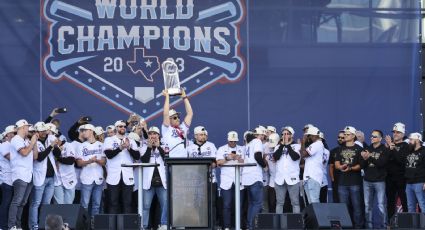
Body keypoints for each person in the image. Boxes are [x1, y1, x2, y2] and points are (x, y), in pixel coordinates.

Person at [103, 120, 140, 214]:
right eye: (120, 126)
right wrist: (120, 148)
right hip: (113, 175)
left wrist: (128, 148)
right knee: (113, 203)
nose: (122, 128)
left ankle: (126, 227)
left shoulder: (130, 141)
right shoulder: (109, 140)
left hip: (127, 175)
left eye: (124, 126)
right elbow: (109, 155)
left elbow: (137, 156)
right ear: (116, 128)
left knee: (127, 203)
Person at [8, 120, 39, 230]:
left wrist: (34, 143)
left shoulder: (26, 141)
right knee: (17, 201)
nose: (28, 129)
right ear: (21, 128)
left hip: (29, 175)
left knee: (23, 202)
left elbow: (35, 157)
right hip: (20, 174)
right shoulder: (16, 139)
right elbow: (24, 153)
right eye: (27, 127)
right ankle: (12, 225)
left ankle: (18, 225)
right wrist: (32, 142)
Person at [29, 122, 60, 230]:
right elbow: (39, 158)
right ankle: (34, 225)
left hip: (51, 177)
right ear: (36, 131)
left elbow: (58, 155)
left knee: (46, 204)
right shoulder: (33, 142)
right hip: (40, 177)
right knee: (35, 203)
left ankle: (43, 225)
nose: (43, 132)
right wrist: (50, 146)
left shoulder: (49, 139)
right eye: (41, 131)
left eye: (44, 130)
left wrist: (55, 146)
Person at [335, 126, 364, 228]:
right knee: (343, 208)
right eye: (345, 134)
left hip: (355, 183)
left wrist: (350, 168)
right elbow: (336, 164)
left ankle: (358, 227)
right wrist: (341, 167)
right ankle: (345, 226)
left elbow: (361, 165)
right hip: (342, 183)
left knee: (357, 207)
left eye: (347, 134)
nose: (345, 136)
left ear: (353, 136)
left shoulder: (359, 149)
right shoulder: (340, 149)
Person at [76, 124, 106, 218]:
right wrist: (90, 161)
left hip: (98, 178)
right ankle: (84, 226)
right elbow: (79, 163)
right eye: (82, 131)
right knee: (84, 204)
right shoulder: (81, 146)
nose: (83, 132)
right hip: (86, 178)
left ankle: (94, 225)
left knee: (96, 205)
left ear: (91, 131)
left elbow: (104, 162)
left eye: (85, 130)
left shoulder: (101, 145)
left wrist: (96, 160)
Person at [140, 127, 168, 230]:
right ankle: (144, 226)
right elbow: (144, 161)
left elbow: (167, 159)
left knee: (164, 206)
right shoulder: (143, 147)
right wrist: (149, 147)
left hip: (162, 182)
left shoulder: (164, 146)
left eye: (155, 134)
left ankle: (163, 225)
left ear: (158, 135)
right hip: (148, 182)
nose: (153, 136)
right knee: (146, 206)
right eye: (151, 134)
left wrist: (159, 147)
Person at [216, 131, 245, 230]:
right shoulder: (221, 149)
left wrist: (238, 158)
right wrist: (227, 158)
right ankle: (227, 227)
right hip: (226, 181)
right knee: (226, 205)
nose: (233, 143)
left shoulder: (242, 149)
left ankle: (238, 226)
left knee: (239, 206)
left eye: (234, 141)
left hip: (239, 180)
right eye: (231, 141)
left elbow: (245, 162)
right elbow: (218, 163)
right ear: (228, 140)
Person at [360, 130, 388, 229]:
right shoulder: (367, 148)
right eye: (371, 136)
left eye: (374, 136)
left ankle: (383, 226)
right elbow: (362, 166)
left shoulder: (384, 149)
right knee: (368, 205)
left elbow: (381, 163)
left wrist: (369, 157)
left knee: (381, 204)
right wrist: (364, 158)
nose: (372, 138)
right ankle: (369, 226)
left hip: (379, 181)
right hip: (367, 180)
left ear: (380, 138)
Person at [241, 128, 266, 229]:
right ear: (259, 135)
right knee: (258, 204)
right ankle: (251, 226)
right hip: (255, 176)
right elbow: (257, 156)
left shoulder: (247, 144)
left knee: (252, 203)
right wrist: (264, 166)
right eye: (263, 135)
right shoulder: (257, 141)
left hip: (246, 176)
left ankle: (249, 226)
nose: (263, 137)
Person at [274, 126, 301, 213]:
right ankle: (278, 224)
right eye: (283, 134)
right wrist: (282, 145)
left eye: (287, 134)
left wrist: (288, 145)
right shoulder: (277, 147)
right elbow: (276, 157)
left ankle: (296, 224)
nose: (285, 136)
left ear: (291, 135)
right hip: (279, 178)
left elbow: (295, 157)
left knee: (295, 203)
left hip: (292, 178)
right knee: (279, 203)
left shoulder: (297, 146)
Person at [385, 122, 409, 219]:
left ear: (403, 134)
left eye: (398, 132)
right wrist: (389, 148)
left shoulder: (405, 146)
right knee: (390, 202)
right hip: (389, 178)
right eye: (394, 132)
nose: (395, 134)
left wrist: (392, 146)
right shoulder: (389, 146)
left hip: (401, 178)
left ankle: (407, 223)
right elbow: (385, 161)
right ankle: (390, 224)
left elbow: (401, 160)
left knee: (404, 201)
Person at [161, 89, 193, 158]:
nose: (178, 119)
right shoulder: (166, 129)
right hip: (173, 160)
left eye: (178, 117)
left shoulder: (183, 127)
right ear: (169, 120)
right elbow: (166, 114)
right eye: (175, 118)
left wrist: (184, 97)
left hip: (185, 159)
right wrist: (167, 97)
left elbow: (190, 114)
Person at [301, 126, 326, 204]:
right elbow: (303, 158)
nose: (308, 138)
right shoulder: (315, 145)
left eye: (309, 136)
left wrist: (303, 142)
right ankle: (313, 216)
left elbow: (303, 154)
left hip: (313, 177)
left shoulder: (317, 144)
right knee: (311, 203)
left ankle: (317, 216)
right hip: (309, 177)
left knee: (314, 201)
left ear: (314, 135)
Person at [404, 132, 425, 213]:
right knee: (410, 206)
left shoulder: (424, 151)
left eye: (411, 139)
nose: (409, 141)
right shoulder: (409, 150)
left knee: (422, 204)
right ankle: (412, 225)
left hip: (419, 182)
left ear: (417, 140)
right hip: (409, 183)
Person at [53, 138, 77, 204]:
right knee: (59, 204)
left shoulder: (68, 145)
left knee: (68, 204)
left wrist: (58, 159)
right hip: (57, 179)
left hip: (69, 178)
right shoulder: (51, 146)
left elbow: (70, 161)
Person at [0, 125, 15, 230]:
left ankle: (11, 226)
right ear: (8, 134)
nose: (15, 135)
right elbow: (12, 159)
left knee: (12, 205)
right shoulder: (4, 145)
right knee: (6, 204)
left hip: (15, 179)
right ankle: (3, 226)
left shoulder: (15, 144)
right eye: (13, 133)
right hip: (7, 180)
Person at [329, 131, 345, 203]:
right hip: (336, 180)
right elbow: (331, 166)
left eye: (342, 137)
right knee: (336, 199)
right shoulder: (333, 151)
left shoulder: (352, 150)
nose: (340, 139)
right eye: (339, 137)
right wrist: (332, 179)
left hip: (347, 179)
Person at [319, 132, 330, 203]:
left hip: (322, 181)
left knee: (323, 204)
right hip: (311, 181)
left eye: (319, 139)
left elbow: (321, 163)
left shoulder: (325, 151)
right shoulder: (310, 149)